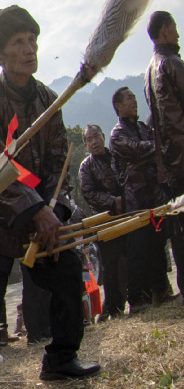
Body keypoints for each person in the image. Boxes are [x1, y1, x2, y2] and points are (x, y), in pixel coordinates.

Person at [0, 5, 101, 389]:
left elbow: (56, 162)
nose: (30, 49)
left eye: (32, 41)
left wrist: (51, 210)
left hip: (41, 212)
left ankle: (61, 358)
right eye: (19, 42)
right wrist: (34, 208)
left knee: (67, 274)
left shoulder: (50, 99)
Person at [109, 86, 172, 309]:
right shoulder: (117, 134)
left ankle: (160, 290)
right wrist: (149, 153)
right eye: (129, 98)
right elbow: (134, 150)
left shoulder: (144, 128)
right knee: (136, 248)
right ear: (118, 105)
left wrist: (147, 155)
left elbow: (158, 150)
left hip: (154, 196)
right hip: (134, 200)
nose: (134, 100)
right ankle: (136, 299)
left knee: (157, 244)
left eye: (134, 97)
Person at [143, 10, 184, 298]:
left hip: (168, 167)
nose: (179, 35)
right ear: (166, 30)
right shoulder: (171, 63)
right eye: (176, 28)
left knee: (180, 231)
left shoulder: (148, 73)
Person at [78, 124, 127, 318]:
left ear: (103, 136)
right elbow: (89, 193)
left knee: (131, 259)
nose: (94, 141)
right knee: (110, 266)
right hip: (105, 221)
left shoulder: (117, 156)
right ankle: (113, 308)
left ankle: (139, 297)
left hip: (128, 215)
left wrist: (127, 200)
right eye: (89, 139)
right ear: (85, 145)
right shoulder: (86, 166)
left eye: (96, 136)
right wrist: (113, 202)